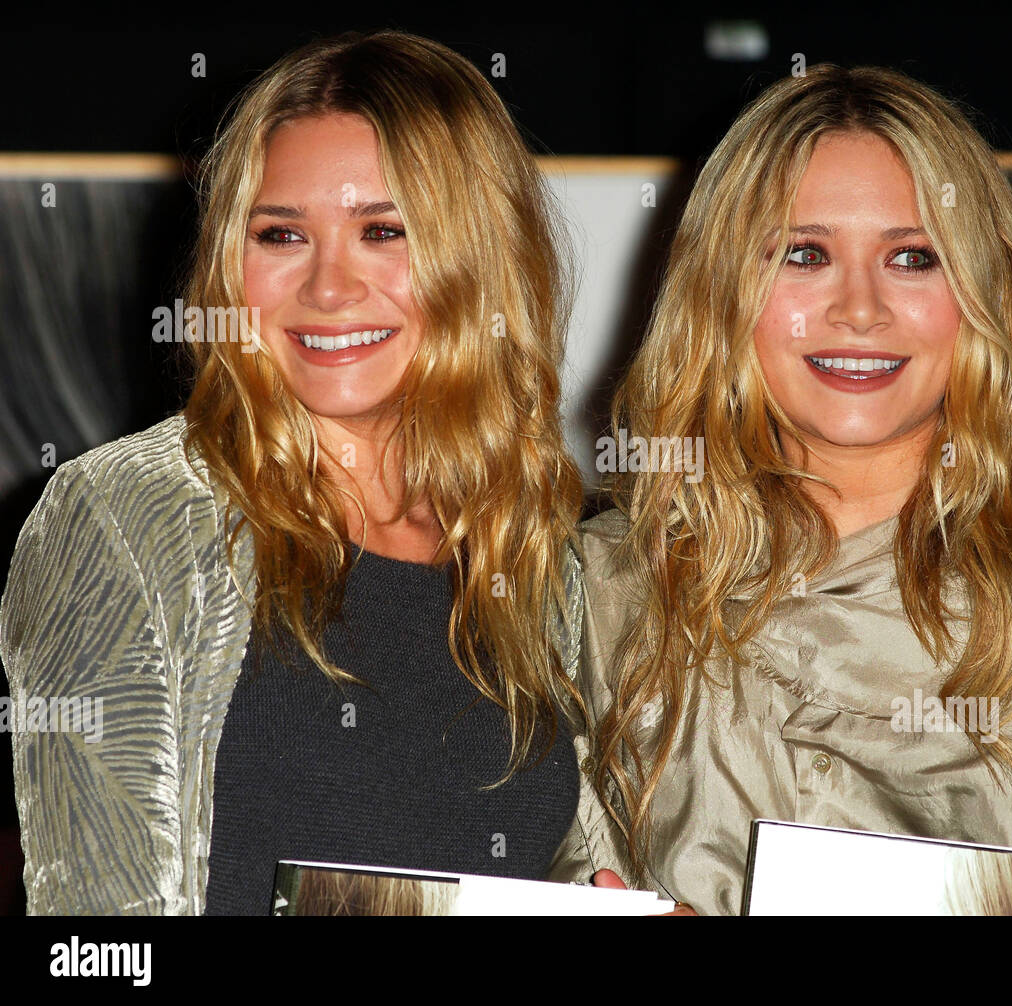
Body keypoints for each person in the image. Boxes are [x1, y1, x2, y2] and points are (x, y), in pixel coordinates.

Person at [550, 64, 1012, 916]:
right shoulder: (602, 580)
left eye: (913, 258)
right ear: (720, 291)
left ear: (980, 290)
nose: (860, 308)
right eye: (804, 254)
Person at [1, 30, 591, 915]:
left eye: (382, 231)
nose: (327, 287)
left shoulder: (530, 548)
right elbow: (95, 937)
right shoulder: (125, 519)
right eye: (281, 235)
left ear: (481, 260)